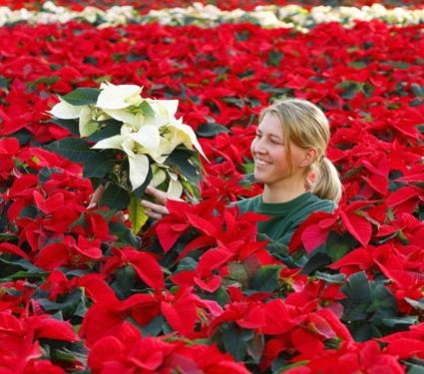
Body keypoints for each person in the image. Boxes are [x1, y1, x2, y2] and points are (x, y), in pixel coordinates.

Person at [91, 98, 342, 264]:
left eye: (274, 141)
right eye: (259, 136)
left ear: (307, 156)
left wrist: (196, 223)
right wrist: (109, 202)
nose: (259, 148)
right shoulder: (235, 212)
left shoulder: (319, 214)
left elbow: (276, 271)